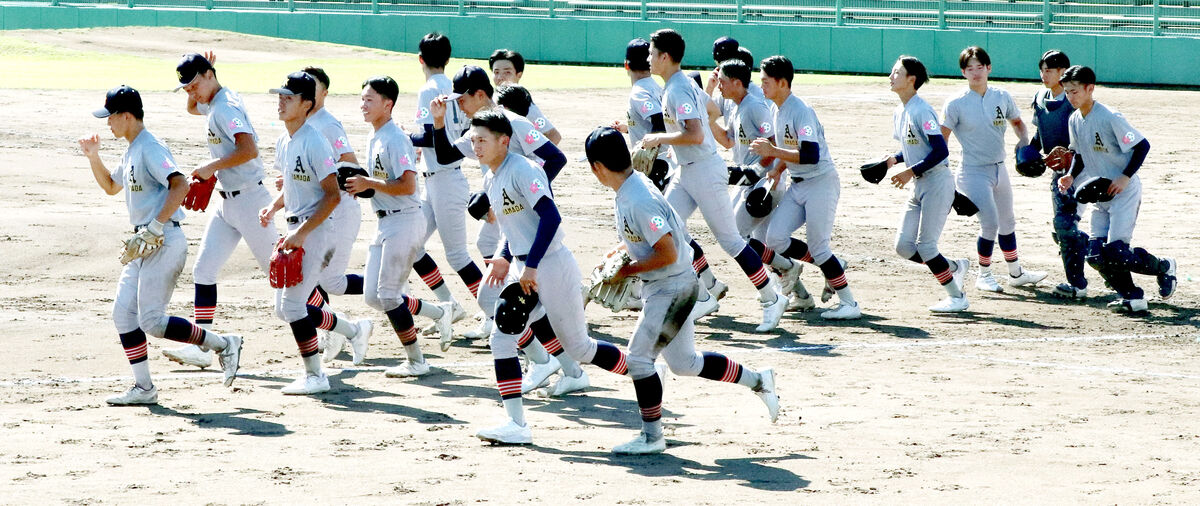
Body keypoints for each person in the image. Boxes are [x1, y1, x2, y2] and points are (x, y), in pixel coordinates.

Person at [585, 126, 780, 455]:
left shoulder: (637, 198)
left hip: (672, 289)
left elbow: (668, 251)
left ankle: (652, 436)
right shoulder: (632, 187)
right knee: (685, 363)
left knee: (638, 360)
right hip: (673, 284)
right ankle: (759, 380)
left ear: (598, 167)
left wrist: (627, 271)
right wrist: (618, 254)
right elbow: (651, 239)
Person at [466, 111, 632, 444]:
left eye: (482, 140)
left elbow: (550, 217)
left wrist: (532, 266)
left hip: (551, 266)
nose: (476, 147)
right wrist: (503, 256)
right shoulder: (491, 178)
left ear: (504, 140)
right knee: (501, 337)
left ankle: (644, 370)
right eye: (473, 140)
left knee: (581, 347)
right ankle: (517, 424)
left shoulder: (524, 171)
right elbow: (512, 229)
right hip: (525, 266)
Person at [79, 85, 241, 405]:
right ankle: (144, 388)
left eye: (111, 117)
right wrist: (93, 157)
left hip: (164, 240)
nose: (107, 123)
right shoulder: (131, 149)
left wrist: (156, 226)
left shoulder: (150, 147)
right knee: (124, 315)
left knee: (151, 321)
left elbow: (180, 184)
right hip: (144, 243)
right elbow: (112, 186)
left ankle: (223, 343)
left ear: (127, 116)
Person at [430, 66, 575, 394]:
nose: (459, 106)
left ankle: (549, 359)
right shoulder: (478, 129)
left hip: (529, 221)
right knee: (500, 298)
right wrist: (438, 122)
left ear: (481, 95)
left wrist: (526, 192)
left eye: (462, 99)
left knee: (515, 303)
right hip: (509, 221)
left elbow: (556, 158)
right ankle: (551, 360)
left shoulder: (515, 123)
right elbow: (444, 155)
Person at [642, 29, 787, 332]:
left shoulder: (677, 89)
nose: (649, 58)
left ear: (665, 57)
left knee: (732, 240)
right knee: (668, 228)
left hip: (704, 171)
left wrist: (658, 137)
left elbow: (695, 133)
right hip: (688, 170)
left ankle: (771, 297)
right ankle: (704, 294)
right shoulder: (680, 84)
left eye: (652, 53)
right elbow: (710, 110)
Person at [258, 72, 371, 395]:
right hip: (297, 227)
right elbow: (294, 187)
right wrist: (272, 208)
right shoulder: (285, 140)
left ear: (307, 104)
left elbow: (332, 195)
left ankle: (315, 375)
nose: (281, 101)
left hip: (316, 231)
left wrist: (303, 234)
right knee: (285, 308)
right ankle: (352, 329)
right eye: (280, 95)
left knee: (293, 307)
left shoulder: (314, 141)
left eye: (289, 97)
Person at [165, 53, 280, 369]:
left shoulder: (225, 107)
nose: (191, 93)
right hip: (229, 203)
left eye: (194, 85)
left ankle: (342, 327)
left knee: (282, 278)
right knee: (203, 270)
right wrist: (199, 88)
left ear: (209, 74)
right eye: (186, 88)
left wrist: (211, 166)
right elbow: (193, 108)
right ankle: (203, 347)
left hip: (252, 203)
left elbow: (249, 149)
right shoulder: (215, 101)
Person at [348, 75, 455, 375]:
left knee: (388, 295)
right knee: (373, 295)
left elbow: (408, 185)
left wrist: (369, 182)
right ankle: (438, 311)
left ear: (388, 104)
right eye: (362, 98)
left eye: (369, 99)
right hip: (385, 223)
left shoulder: (395, 138)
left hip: (404, 220)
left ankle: (416, 360)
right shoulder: (376, 135)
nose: (363, 105)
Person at [1056, 65, 1176, 313]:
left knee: (1116, 252)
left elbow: (1142, 146)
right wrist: (1070, 176)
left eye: (1075, 91)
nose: (1070, 96)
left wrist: (1124, 177)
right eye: (1067, 92)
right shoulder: (1075, 120)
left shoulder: (1110, 116)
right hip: (1100, 195)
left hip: (1124, 192)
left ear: (1090, 88)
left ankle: (1164, 267)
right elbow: (1078, 153)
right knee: (1095, 255)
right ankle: (1133, 298)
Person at [751, 56, 861, 320]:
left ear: (782, 82)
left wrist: (773, 151)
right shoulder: (777, 109)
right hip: (799, 185)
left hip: (820, 183)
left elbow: (810, 154)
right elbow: (791, 152)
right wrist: (777, 170)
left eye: (766, 81)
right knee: (775, 238)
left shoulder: (800, 110)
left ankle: (849, 303)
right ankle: (833, 267)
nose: (761, 85)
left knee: (819, 246)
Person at [709, 58, 813, 311]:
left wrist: (756, 170)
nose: (719, 87)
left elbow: (772, 142)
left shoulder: (755, 107)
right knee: (762, 242)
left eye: (722, 82)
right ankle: (802, 295)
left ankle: (791, 267)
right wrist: (709, 121)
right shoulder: (735, 107)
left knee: (737, 237)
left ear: (736, 83)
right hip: (749, 182)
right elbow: (727, 141)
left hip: (765, 183)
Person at [941, 46, 1046, 293]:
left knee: (1008, 221)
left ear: (989, 68)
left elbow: (1018, 123)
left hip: (1000, 169)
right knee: (989, 224)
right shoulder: (956, 103)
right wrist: (943, 171)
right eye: (970, 68)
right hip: (972, 172)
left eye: (980, 67)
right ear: (963, 73)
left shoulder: (1001, 96)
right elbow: (942, 137)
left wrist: (1022, 141)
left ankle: (1016, 273)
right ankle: (984, 274)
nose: (976, 73)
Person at [881, 56, 971, 312]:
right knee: (904, 247)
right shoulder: (901, 111)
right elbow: (911, 147)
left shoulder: (922, 110)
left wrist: (910, 170)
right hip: (919, 184)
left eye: (896, 72)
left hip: (937, 182)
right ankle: (954, 267)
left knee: (927, 247)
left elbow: (941, 150)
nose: (891, 76)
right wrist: (892, 160)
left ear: (912, 79)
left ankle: (957, 297)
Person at [406, 33, 479, 335]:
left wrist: (403, 137)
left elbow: (431, 138)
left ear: (420, 59)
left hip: (446, 180)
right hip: (435, 181)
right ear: (447, 59)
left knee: (457, 254)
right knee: (411, 246)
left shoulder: (429, 90)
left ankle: (492, 312)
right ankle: (449, 307)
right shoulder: (455, 87)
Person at [1029, 50, 1090, 299]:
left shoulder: (1073, 100)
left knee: (1064, 225)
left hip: (1083, 170)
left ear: (1063, 72)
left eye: (1050, 70)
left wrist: (1073, 159)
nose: (1045, 75)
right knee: (1063, 229)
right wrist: (1029, 153)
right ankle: (1093, 250)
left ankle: (1077, 285)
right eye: (1042, 70)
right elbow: (1038, 134)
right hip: (1058, 174)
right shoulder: (1040, 97)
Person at [611, 38, 674, 192]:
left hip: (657, 166)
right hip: (667, 163)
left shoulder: (639, 92)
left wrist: (645, 149)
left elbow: (659, 121)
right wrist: (628, 128)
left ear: (626, 64)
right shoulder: (656, 87)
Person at [488, 49, 563, 145]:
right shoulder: (490, 100)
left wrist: (533, 156)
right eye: (496, 72)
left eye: (507, 72)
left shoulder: (524, 104)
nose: (500, 77)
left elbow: (554, 135)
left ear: (519, 75)